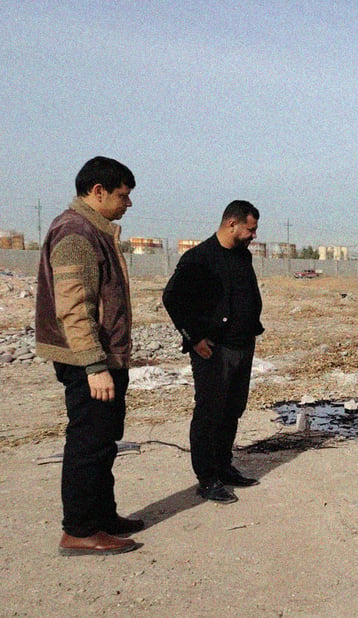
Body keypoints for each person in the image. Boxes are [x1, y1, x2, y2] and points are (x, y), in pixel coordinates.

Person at [35, 156, 142, 555]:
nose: (127, 204)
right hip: (88, 361)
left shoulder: (92, 230)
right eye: (122, 196)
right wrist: (95, 365)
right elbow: (74, 307)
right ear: (97, 192)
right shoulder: (76, 233)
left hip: (101, 359)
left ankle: (102, 515)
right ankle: (79, 530)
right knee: (89, 442)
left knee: (105, 439)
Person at [162, 201, 264, 504]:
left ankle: (223, 467)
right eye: (251, 228)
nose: (253, 235)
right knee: (209, 414)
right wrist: (193, 338)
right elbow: (172, 298)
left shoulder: (241, 256)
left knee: (233, 409)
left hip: (242, 345)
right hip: (214, 351)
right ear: (232, 224)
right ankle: (207, 479)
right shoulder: (200, 258)